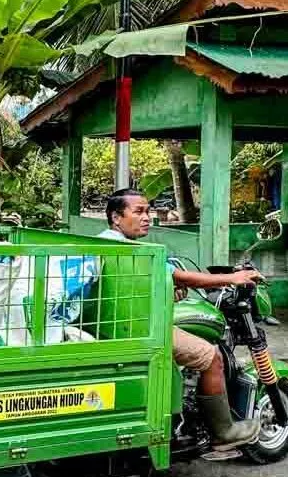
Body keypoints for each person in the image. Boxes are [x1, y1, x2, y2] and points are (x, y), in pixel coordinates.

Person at [99, 189, 261, 450]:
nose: (147, 217)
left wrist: (168, 293)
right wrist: (232, 278)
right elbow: (183, 277)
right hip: (140, 330)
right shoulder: (136, 250)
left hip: (115, 326)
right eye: (138, 212)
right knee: (211, 357)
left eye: (148, 211)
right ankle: (224, 432)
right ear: (116, 217)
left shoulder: (102, 243)